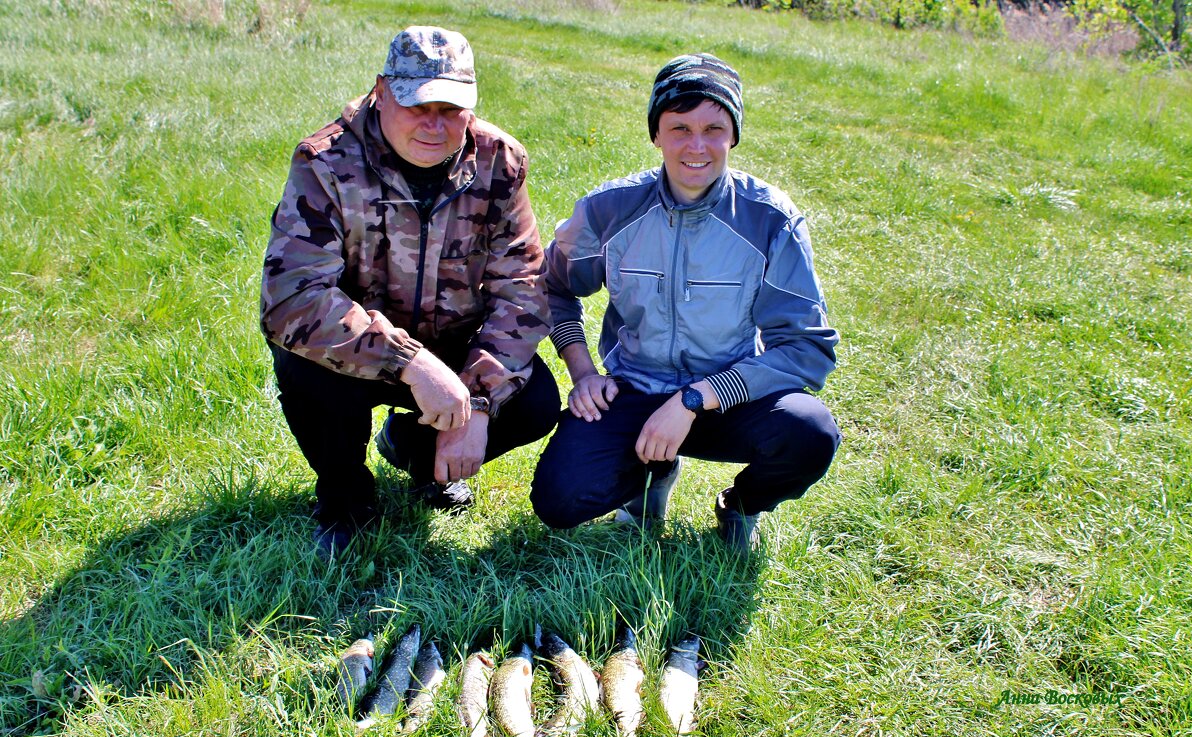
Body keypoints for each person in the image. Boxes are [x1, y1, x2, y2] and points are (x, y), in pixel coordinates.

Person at [261, 26, 558, 558]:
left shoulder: (500, 162)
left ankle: (421, 456)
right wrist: (409, 363)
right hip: (359, 353)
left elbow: (524, 291)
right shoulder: (325, 162)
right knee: (301, 364)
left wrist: (481, 402)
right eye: (418, 105)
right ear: (381, 91)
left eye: (451, 109)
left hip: (457, 348)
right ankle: (345, 497)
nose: (433, 125)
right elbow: (292, 298)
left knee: (535, 400)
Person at [529, 53, 841, 552]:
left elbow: (806, 349)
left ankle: (742, 509)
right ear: (655, 134)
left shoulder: (771, 221)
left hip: (729, 396)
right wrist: (584, 373)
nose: (697, 146)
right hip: (633, 389)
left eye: (714, 128)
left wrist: (696, 398)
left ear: (733, 136)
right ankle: (650, 479)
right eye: (679, 128)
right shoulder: (609, 210)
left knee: (810, 433)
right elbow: (551, 286)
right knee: (559, 500)